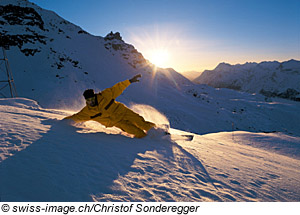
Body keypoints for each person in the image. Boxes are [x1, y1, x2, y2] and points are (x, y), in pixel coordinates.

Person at [63, 74, 156, 138]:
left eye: (92, 99)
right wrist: (62, 123)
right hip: (118, 122)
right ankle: (147, 141)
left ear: (94, 96)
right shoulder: (87, 111)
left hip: (124, 112)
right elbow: (76, 117)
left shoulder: (105, 95)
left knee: (141, 123)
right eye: (88, 100)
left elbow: (117, 88)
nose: (90, 101)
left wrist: (130, 81)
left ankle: (158, 132)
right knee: (137, 132)